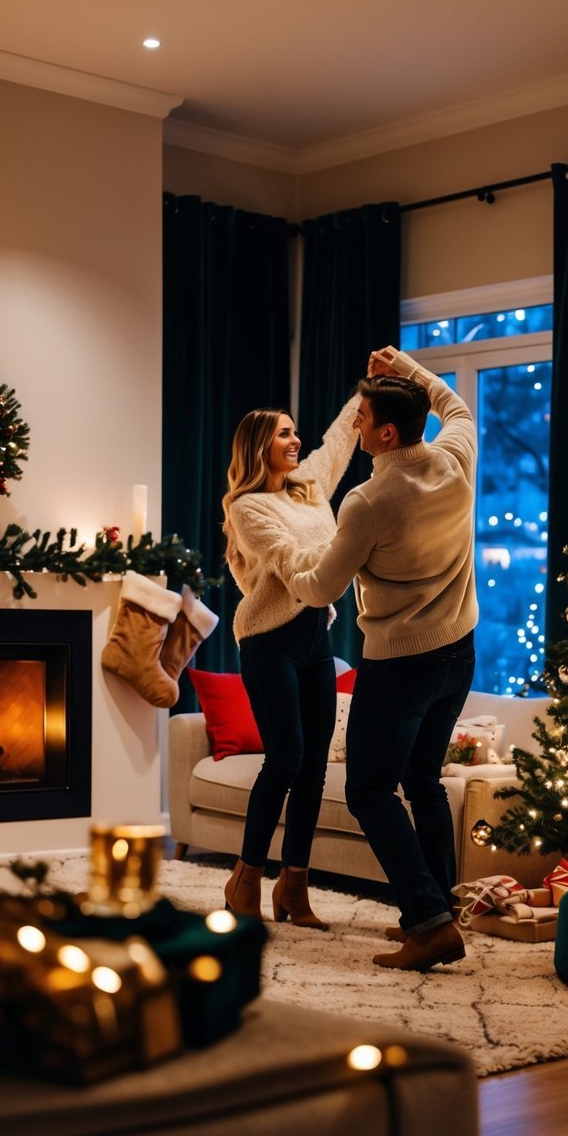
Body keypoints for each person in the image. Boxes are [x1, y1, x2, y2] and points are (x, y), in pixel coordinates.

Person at [281, 346, 478, 971]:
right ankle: (438, 909)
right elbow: (455, 405)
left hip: (400, 664)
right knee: (421, 780)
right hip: (459, 653)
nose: (354, 424)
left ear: (387, 431)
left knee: (368, 788)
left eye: (362, 417)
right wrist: (408, 368)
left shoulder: (368, 500)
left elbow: (317, 588)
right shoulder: (455, 459)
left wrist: (283, 556)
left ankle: (428, 919)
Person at [221, 394, 360, 927]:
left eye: (294, 432)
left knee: (314, 767)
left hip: (314, 641)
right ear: (260, 446)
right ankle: (246, 877)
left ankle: (294, 888)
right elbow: (287, 560)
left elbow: (340, 440)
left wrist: (366, 390)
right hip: (268, 640)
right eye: (283, 434)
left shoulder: (309, 487)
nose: (295, 441)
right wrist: (352, 551)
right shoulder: (246, 507)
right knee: (287, 757)